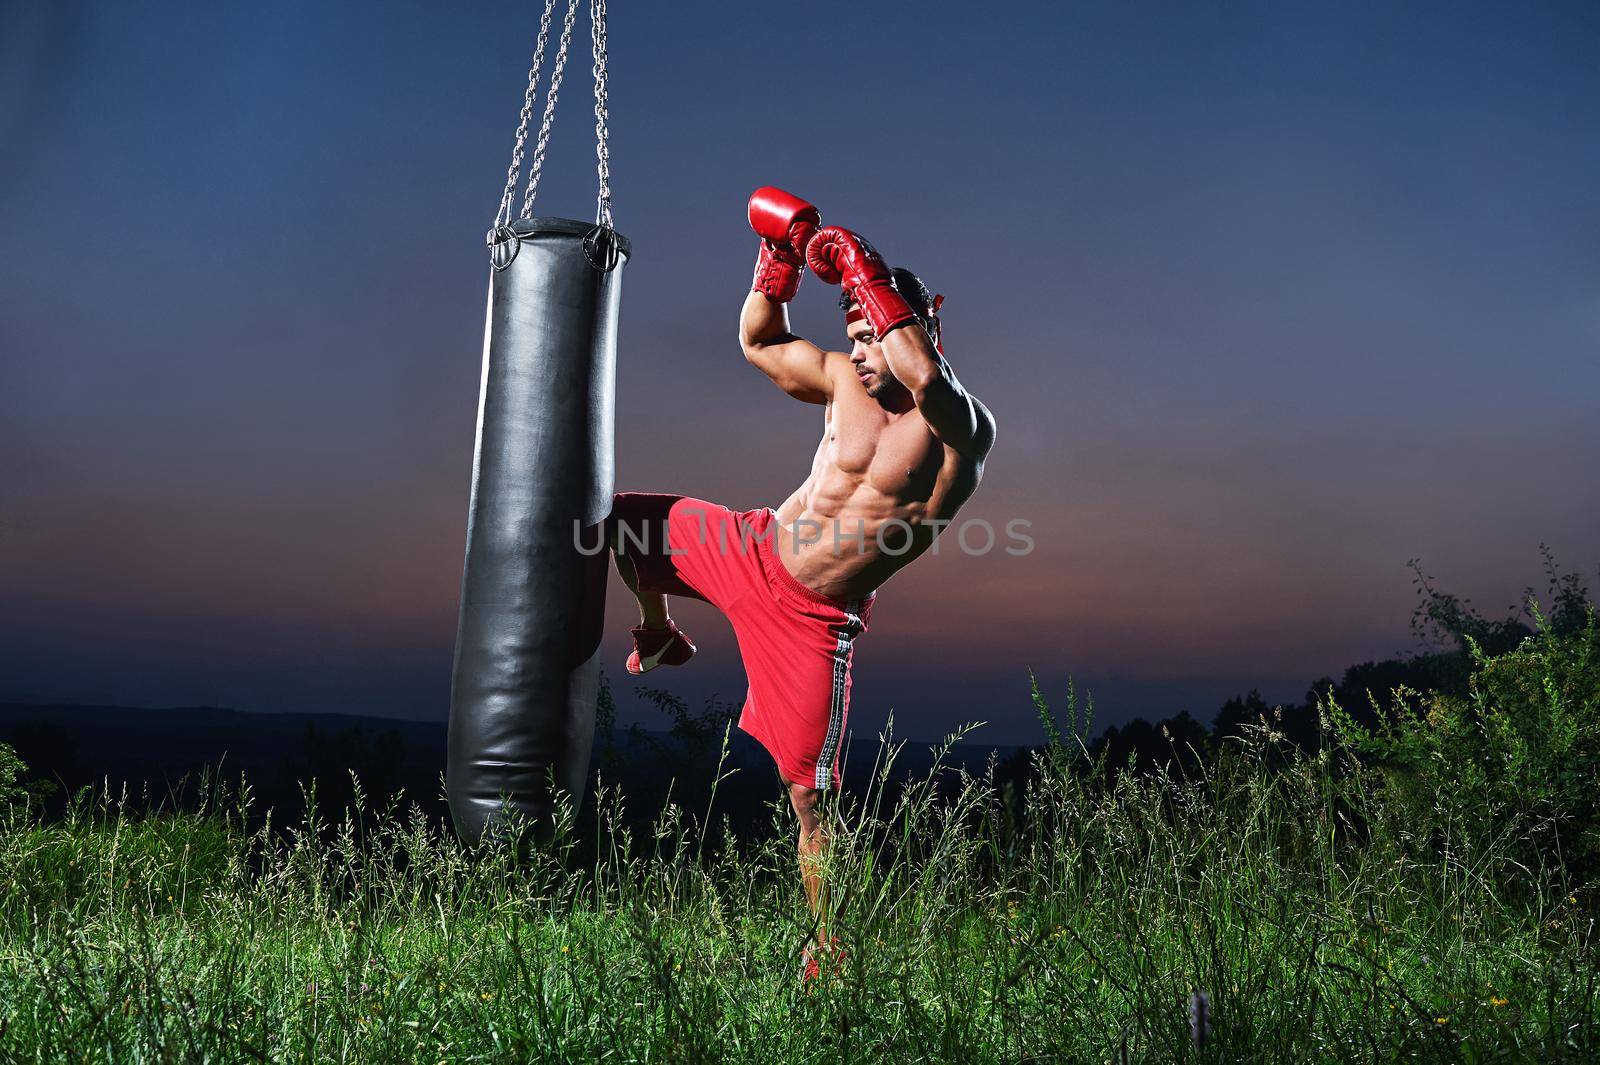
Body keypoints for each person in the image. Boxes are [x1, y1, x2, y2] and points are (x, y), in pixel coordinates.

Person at [605, 186, 996, 982]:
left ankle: (829, 942)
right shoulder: (846, 380)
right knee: (615, 520)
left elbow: (925, 373)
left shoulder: (959, 430)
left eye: (870, 335)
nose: (855, 351)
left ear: (915, 332)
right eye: (850, 334)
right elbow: (758, 341)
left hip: (812, 621)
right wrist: (777, 259)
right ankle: (658, 626)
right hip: (753, 548)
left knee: (812, 798)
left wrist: (862, 267)